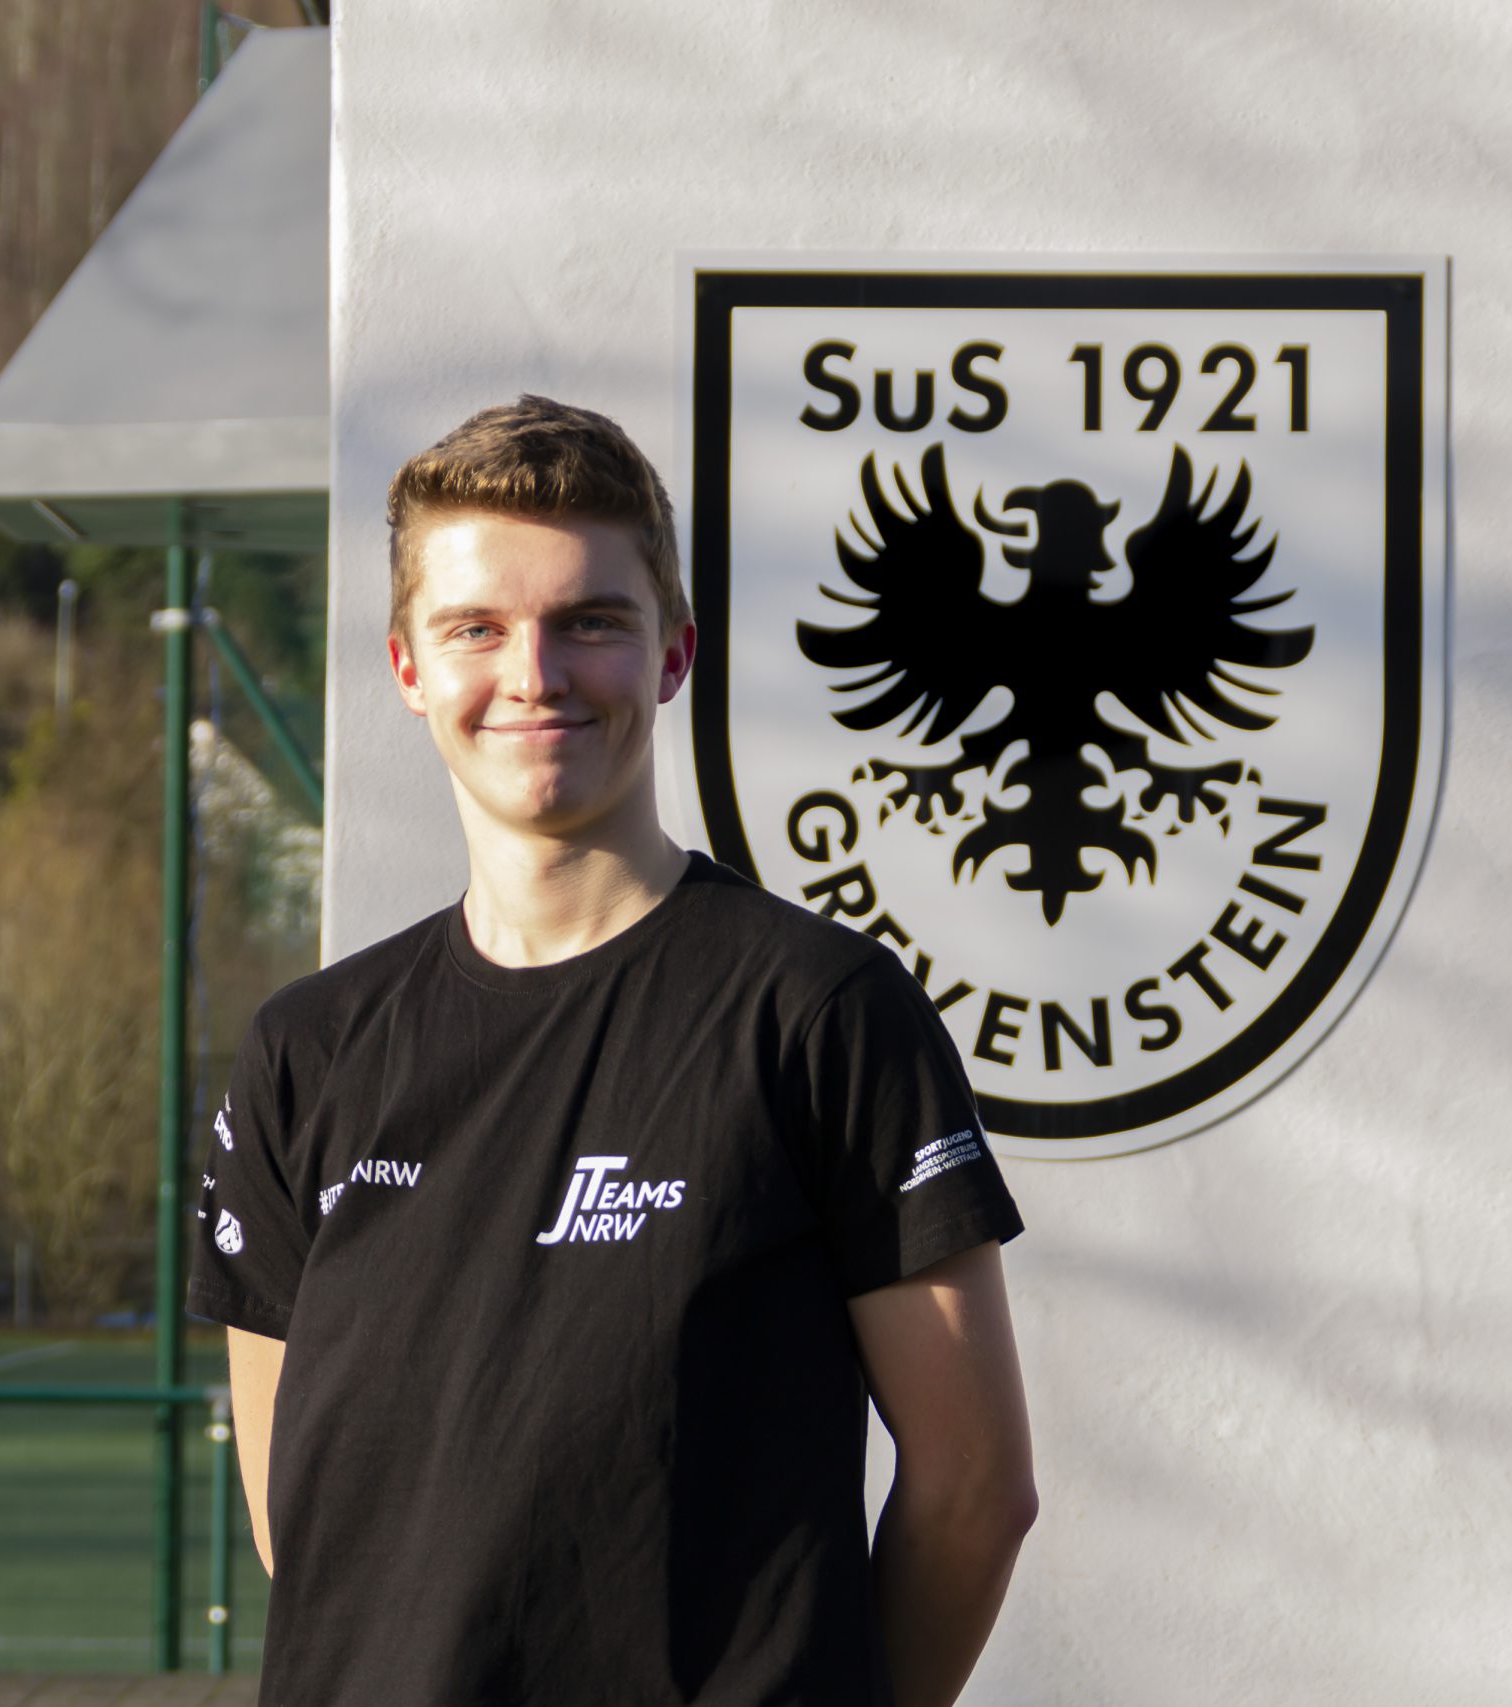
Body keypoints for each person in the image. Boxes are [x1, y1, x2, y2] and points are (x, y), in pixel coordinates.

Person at [188, 395, 1035, 1707]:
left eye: (590, 622)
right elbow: (302, 1521)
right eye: (477, 629)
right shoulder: (309, 1050)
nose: (535, 674)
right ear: (409, 669)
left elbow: (977, 1491)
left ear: (673, 655)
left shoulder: (817, 1014)